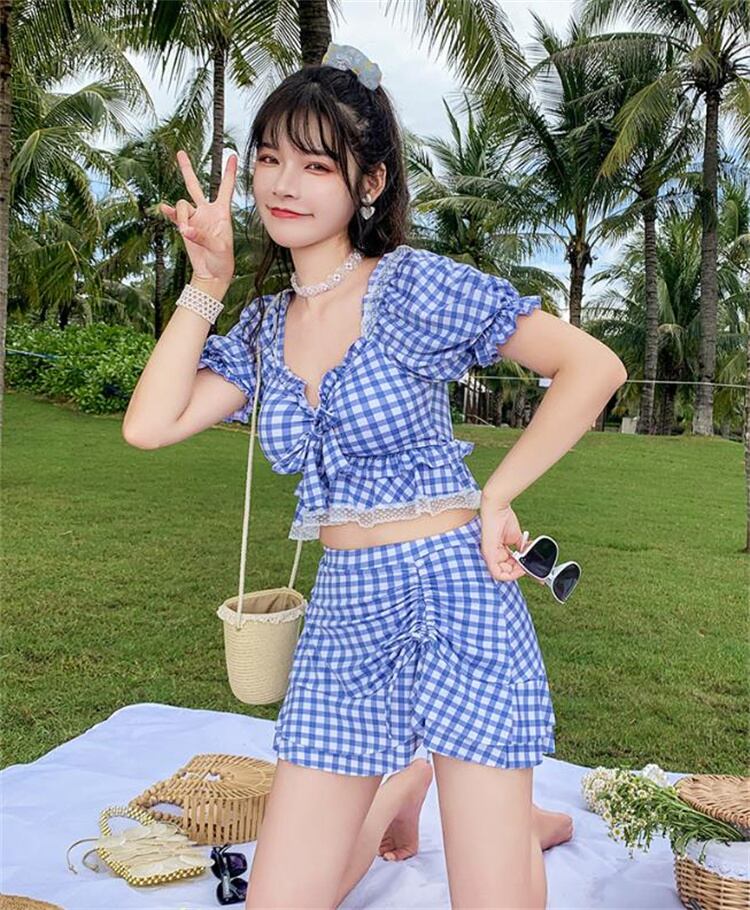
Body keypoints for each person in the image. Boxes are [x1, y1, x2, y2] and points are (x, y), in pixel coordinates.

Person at [123, 41, 626, 910]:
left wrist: (498, 494)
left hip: (456, 595)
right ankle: (406, 788)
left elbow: (593, 367)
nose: (284, 184)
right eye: (270, 159)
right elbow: (149, 425)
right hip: (346, 610)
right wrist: (207, 283)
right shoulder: (264, 328)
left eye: (317, 165)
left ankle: (495, 814)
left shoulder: (411, 287)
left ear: (370, 183)